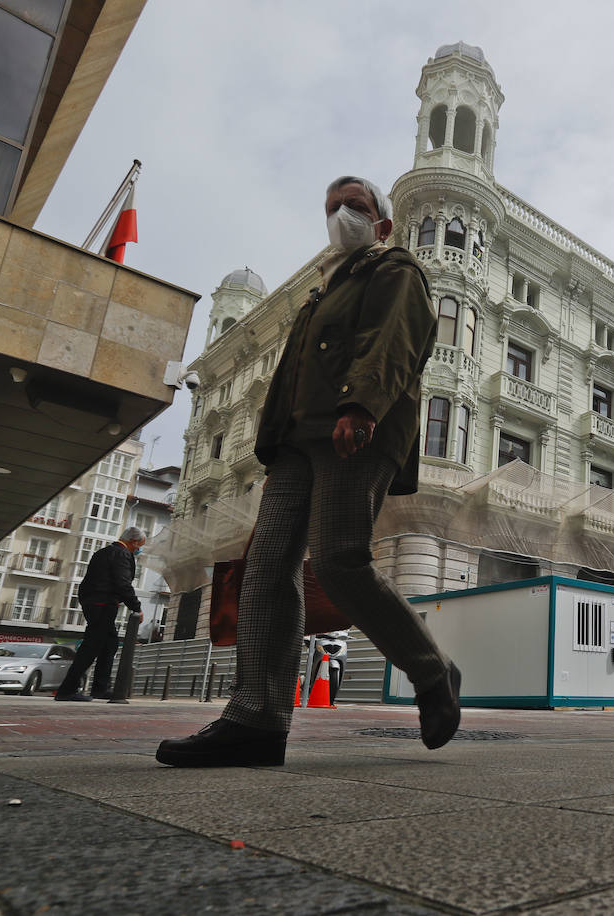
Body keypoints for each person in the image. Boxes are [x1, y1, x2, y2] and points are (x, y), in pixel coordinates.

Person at [158, 176, 458, 767]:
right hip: (298, 444)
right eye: (332, 207)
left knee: (339, 563)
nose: (341, 214)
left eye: (355, 205)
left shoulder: (395, 269)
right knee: (264, 570)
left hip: (354, 429)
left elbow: (392, 341)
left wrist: (360, 405)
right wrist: (272, 448)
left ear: (383, 223)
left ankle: (432, 672)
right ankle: (258, 718)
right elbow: (292, 377)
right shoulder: (323, 291)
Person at [54, 526, 145, 701]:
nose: (139, 549)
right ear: (133, 542)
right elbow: (123, 583)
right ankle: (67, 690)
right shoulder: (121, 554)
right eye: (139, 545)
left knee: (109, 644)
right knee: (91, 646)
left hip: (93, 602)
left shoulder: (103, 552)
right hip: (103, 603)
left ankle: (100, 688)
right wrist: (136, 607)